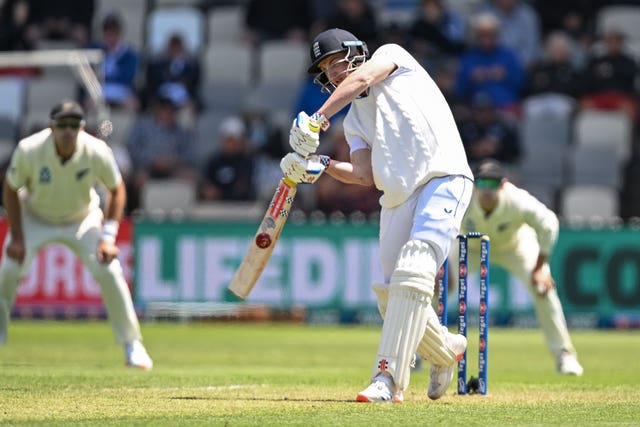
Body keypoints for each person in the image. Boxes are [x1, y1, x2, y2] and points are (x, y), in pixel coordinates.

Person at [279, 28, 474, 402]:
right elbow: (365, 174)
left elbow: (364, 77)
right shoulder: (354, 121)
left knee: (415, 269)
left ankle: (387, 380)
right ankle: (447, 350)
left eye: (336, 61)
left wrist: (316, 119)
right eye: (325, 68)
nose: (334, 72)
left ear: (356, 52)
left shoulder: (392, 56)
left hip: (444, 177)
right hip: (398, 198)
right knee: (391, 295)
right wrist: (321, 164)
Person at [0, 100, 153, 370]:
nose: (68, 131)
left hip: (82, 218)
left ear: (82, 128)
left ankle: (132, 345)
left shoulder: (97, 151)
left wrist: (108, 236)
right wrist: (19, 236)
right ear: (51, 127)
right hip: (34, 216)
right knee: (9, 271)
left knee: (110, 271)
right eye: (62, 125)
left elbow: (117, 189)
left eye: (74, 125)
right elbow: (11, 189)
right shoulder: (30, 149)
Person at [449, 158, 584, 376]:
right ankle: (417, 354)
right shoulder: (463, 200)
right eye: (482, 183)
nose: (487, 190)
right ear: (475, 185)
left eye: (492, 184)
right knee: (438, 287)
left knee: (543, 290)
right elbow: (442, 228)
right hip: (470, 246)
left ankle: (564, 355)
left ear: (502, 185)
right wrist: (443, 267)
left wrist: (540, 268)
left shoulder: (517, 200)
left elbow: (549, 223)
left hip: (515, 246)